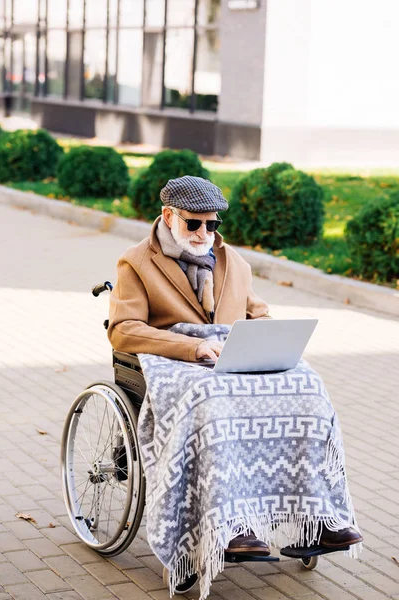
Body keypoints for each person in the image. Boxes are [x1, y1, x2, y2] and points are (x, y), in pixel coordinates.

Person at [108, 175, 362, 592]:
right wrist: (194, 349)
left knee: (309, 388)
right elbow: (124, 329)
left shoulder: (233, 262)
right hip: (174, 361)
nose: (204, 233)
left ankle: (318, 521)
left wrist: (271, 341)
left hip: (232, 358)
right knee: (211, 400)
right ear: (168, 216)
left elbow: (257, 315)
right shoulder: (136, 262)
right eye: (194, 224)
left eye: (212, 224)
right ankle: (230, 526)